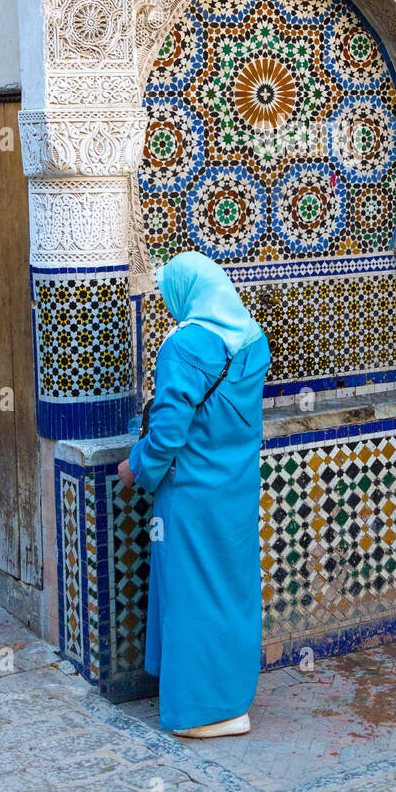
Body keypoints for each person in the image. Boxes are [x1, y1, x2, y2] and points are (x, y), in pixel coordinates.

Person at [118, 251, 270, 738]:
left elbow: (166, 437)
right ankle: (234, 702)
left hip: (191, 496)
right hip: (238, 491)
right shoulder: (253, 340)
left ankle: (202, 713)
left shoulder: (183, 348)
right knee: (232, 592)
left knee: (190, 595)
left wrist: (133, 468)